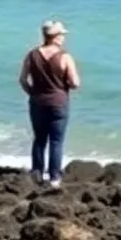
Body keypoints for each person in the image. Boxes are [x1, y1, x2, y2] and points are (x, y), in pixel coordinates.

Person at [19, 19, 81, 188]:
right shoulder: (65, 57)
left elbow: (23, 80)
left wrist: (32, 92)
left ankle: (37, 173)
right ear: (54, 36)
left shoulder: (32, 55)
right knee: (56, 141)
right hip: (58, 102)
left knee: (39, 139)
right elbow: (75, 83)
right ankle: (54, 177)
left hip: (37, 102)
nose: (63, 37)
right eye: (61, 34)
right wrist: (64, 84)